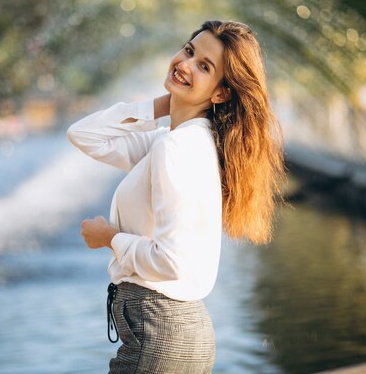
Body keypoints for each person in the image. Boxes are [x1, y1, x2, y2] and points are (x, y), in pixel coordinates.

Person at [67, 20, 286, 374]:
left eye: (204, 66)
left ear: (221, 93)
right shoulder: (176, 141)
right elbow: (84, 134)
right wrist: (161, 105)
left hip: (158, 333)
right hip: (177, 331)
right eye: (189, 50)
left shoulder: (176, 148)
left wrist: (109, 239)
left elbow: (173, 261)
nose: (185, 64)